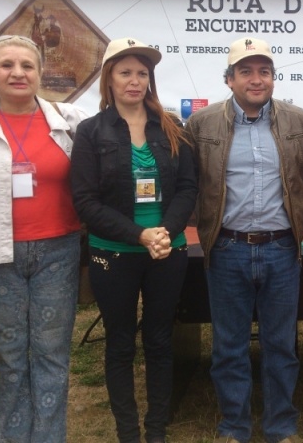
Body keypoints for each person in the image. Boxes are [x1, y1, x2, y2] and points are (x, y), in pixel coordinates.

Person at [185, 37, 303, 443]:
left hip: (280, 248)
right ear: (229, 80)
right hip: (227, 249)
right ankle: (234, 427)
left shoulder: (298, 121)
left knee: (281, 345)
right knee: (228, 347)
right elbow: (191, 183)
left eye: (264, 71)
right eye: (246, 71)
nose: (256, 80)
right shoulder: (202, 125)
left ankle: (281, 426)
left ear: (274, 78)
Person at [70, 37, 197, 443]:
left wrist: (165, 232)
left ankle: (156, 428)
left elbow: (188, 189)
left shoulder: (172, 127)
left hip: (167, 249)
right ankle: (128, 431)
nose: (135, 81)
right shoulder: (91, 131)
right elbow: (85, 202)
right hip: (115, 253)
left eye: (142, 73)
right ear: (109, 78)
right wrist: (139, 234)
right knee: (121, 343)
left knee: (159, 339)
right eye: (125, 72)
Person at [0, 35, 86, 442]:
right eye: (7, 64)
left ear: (41, 74)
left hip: (57, 253)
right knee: (9, 359)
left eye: (27, 66)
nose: (17, 73)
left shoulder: (71, 121)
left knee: (51, 355)